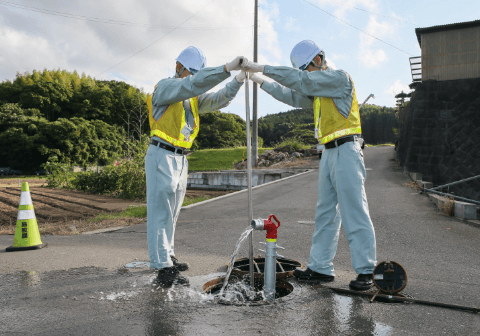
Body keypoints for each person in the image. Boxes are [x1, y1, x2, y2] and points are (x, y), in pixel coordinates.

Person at [242, 40, 377, 290]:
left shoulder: (339, 78)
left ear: (319, 60)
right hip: (328, 152)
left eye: (306, 69)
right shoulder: (317, 90)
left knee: (354, 210)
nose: (305, 75)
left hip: (347, 150)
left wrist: (260, 67)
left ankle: (367, 270)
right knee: (325, 213)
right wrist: (261, 82)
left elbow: (302, 82)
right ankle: (321, 267)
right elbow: (292, 95)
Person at [146, 46, 247, 287]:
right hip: (162, 152)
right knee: (161, 211)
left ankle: (168, 255)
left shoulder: (190, 97)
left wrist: (238, 80)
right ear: (178, 67)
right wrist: (226, 69)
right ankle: (162, 266)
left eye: (195, 73)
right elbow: (192, 85)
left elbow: (217, 99)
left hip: (180, 156)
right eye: (190, 72)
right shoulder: (166, 87)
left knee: (172, 212)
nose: (192, 78)